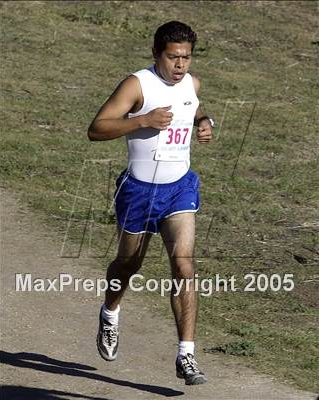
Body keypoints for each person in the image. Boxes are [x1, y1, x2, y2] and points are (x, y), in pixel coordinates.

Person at [88, 20, 213, 385]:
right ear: (156, 53)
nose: (180, 65)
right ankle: (110, 312)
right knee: (128, 264)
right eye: (173, 57)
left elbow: (193, 108)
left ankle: (186, 355)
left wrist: (205, 122)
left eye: (186, 57)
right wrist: (142, 120)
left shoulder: (192, 83)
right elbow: (97, 129)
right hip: (139, 191)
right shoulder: (137, 84)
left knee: (184, 267)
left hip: (179, 188)